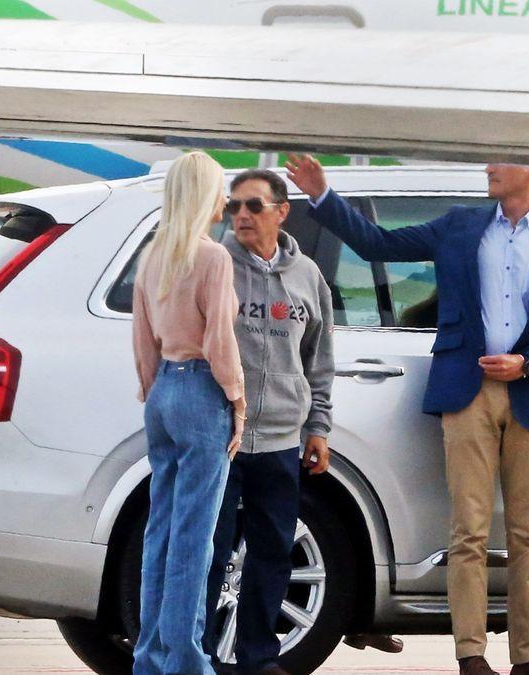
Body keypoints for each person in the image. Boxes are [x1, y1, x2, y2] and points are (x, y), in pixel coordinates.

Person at [285, 155, 529, 675]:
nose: (489, 167)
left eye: (502, 160)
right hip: (467, 391)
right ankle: (470, 655)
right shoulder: (460, 225)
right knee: (468, 532)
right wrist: (323, 195)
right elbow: (378, 246)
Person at [201, 169, 335, 675]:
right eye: (234, 206)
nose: (241, 216)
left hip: (280, 436)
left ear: (282, 211)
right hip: (221, 435)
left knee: (273, 550)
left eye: (254, 206)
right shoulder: (215, 265)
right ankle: (203, 655)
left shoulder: (308, 277)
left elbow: (319, 360)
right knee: (209, 550)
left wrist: (317, 427)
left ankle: (258, 656)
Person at [131, 151, 246, 675]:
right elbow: (220, 339)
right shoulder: (213, 257)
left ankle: (150, 658)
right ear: (204, 195)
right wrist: (238, 399)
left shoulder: (153, 254)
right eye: (221, 189)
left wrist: (153, 391)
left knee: (162, 529)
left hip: (162, 393)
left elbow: (142, 339)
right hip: (202, 390)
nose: (226, 200)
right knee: (195, 537)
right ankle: (186, 660)